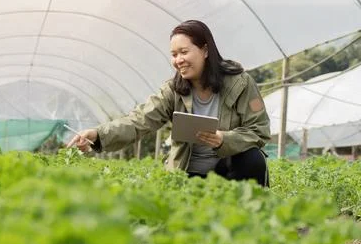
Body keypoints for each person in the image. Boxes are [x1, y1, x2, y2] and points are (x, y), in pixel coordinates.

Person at [67, 20, 271, 186]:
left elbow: (259, 130)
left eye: (184, 52)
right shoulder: (173, 90)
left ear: (205, 50)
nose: (178, 60)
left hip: (228, 171)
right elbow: (139, 121)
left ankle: (250, 212)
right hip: (187, 173)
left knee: (253, 158)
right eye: (174, 55)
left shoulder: (240, 83)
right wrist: (98, 134)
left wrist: (223, 139)